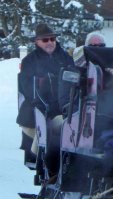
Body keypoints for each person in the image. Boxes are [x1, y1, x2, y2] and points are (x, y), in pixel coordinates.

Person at [17, 23, 75, 164]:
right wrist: (43, 106)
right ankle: (43, 164)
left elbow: (74, 83)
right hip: (37, 108)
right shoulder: (29, 61)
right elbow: (28, 88)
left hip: (64, 107)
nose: (50, 42)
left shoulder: (66, 59)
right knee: (45, 135)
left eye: (52, 39)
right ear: (37, 42)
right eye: (45, 40)